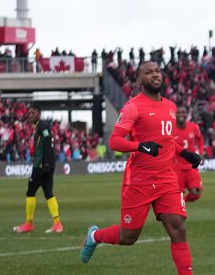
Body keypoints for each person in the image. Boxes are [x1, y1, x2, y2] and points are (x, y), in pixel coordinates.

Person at [80, 61, 201, 275]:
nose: (155, 75)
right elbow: (115, 141)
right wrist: (139, 146)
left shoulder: (171, 107)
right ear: (139, 80)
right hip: (139, 181)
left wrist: (184, 153)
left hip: (166, 179)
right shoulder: (133, 107)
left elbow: (166, 141)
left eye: (157, 71)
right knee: (128, 237)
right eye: (148, 72)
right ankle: (94, 236)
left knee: (178, 230)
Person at [13, 105, 63, 233]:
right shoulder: (41, 126)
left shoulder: (42, 125)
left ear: (39, 113)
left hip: (41, 166)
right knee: (48, 193)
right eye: (29, 113)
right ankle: (57, 223)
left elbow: (47, 143)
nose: (30, 115)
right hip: (46, 165)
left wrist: (46, 164)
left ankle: (29, 224)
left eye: (33, 113)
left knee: (30, 192)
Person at [172, 106, 205, 202]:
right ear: (175, 115)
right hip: (176, 167)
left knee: (196, 193)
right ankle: (179, 202)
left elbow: (200, 138)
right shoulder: (170, 129)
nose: (181, 114)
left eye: (183, 112)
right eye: (179, 112)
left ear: (186, 114)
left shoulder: (194, 127)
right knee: (176, 195)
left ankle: (183, 201)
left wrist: (201, 152)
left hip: (191, 167)